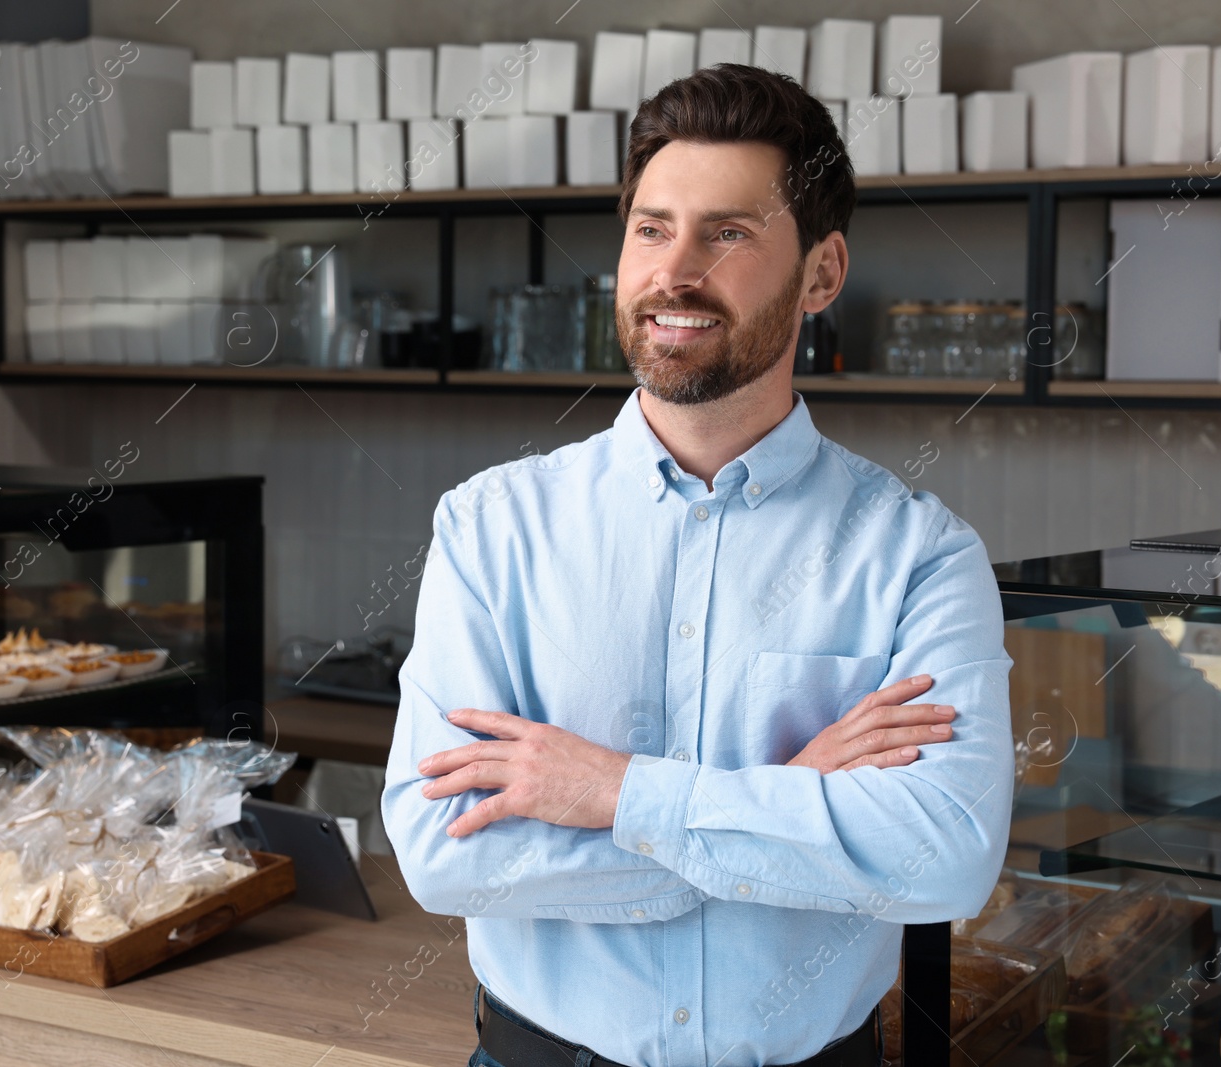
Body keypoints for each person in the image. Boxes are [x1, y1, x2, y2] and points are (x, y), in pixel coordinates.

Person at [380, 63, 1013, 1067]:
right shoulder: (490, 527)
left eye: (727, 232)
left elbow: (941, 857)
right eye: (650, 227)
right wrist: (778, 800)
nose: (675, 270)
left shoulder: (919, 554)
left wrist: (615, 792)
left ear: (820, 271)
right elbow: (441, 852)